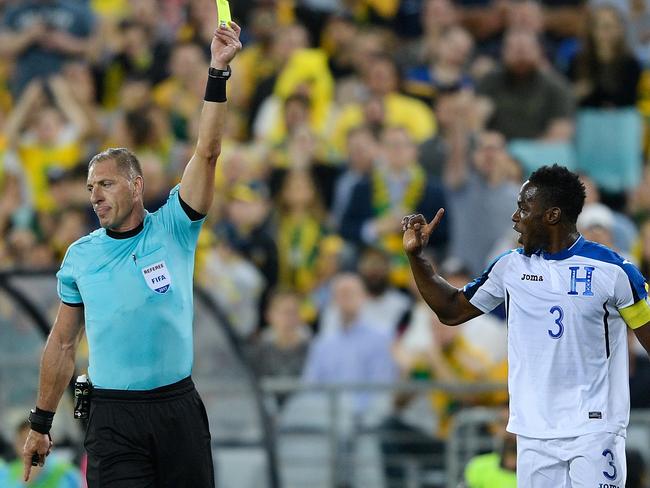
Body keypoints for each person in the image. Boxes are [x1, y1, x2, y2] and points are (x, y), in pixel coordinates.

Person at [21, 17, 242, 488]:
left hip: (177, 409)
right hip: (113, 418)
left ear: (137, 184)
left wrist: (217, 72)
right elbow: (61, 345)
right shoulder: (80, 256)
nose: (95, 195)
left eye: (105, 183)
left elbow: (207, 151)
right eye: (89, 187)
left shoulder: (175, 227)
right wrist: (40, 424)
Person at [402, 164, 650, 486]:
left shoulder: (614, 271)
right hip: (532, 432)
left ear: (552, 215)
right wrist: (417, 258)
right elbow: (450, 311)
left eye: (523, 208)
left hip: (594, 429)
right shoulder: (509, 267)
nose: (515, 218)